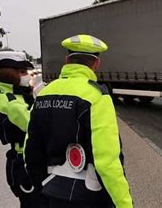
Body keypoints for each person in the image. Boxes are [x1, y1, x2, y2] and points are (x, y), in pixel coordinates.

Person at [25, 34, 132, 208]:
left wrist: (41, 188)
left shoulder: (43, 94)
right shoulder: (97, 96)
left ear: (67, 60)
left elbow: (31, 150)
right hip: (88, 197)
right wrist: (124, 203)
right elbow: (107, 162)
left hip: (52, 191)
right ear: (96, 64)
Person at [0, 51, 46, 207]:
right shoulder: (13, 104)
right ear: (10, 74)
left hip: (21, 161)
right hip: (25, 163)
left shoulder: (14, 96)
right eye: (22, 72)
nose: (28, 75)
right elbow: (37, 127)